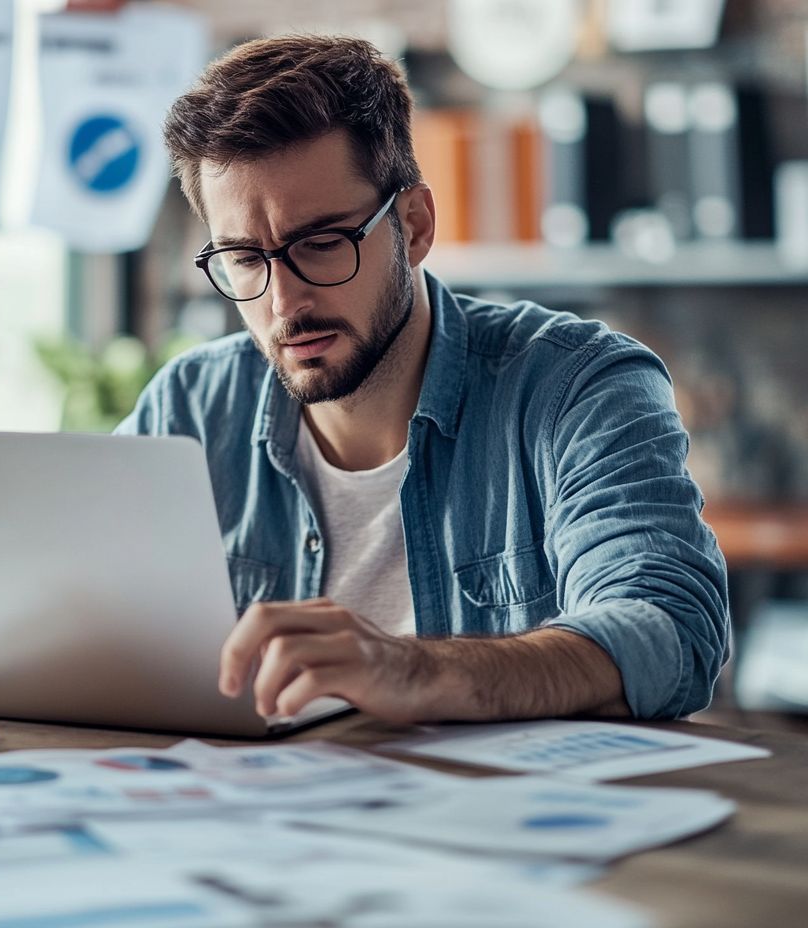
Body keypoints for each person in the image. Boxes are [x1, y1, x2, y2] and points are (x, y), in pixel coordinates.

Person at [115, 35, 728, 725]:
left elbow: (671, 629)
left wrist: (414, 669)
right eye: (245, 259)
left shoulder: (578, 386)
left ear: (413, 225)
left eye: (321, 243)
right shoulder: (189, 409)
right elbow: (81, 613)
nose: (284, 303)